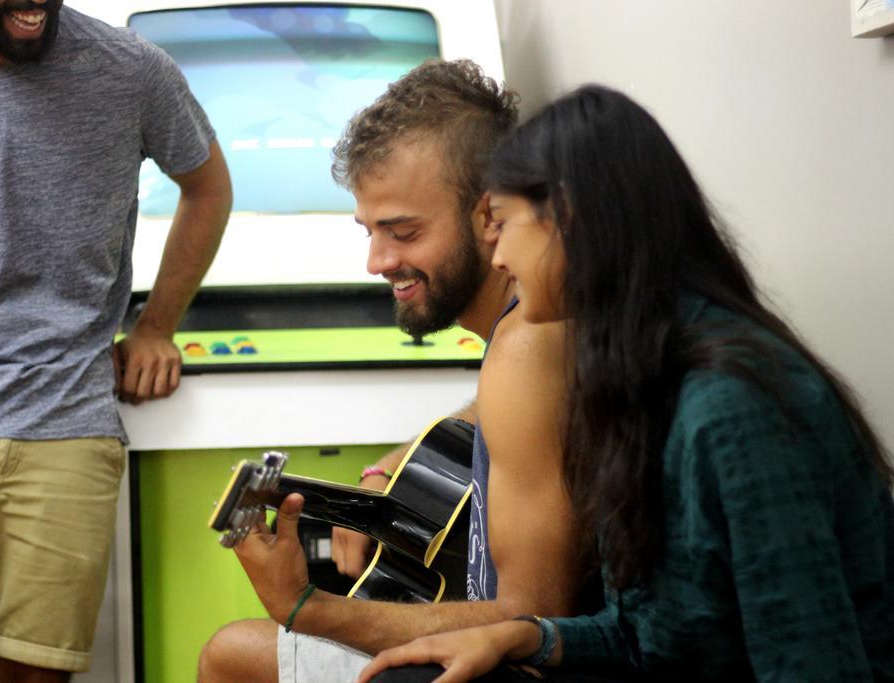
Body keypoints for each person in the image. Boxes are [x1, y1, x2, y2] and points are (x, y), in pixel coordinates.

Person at [357, 85, 894, 682]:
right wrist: (522, 637)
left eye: (504, 224)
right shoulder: (637, 379)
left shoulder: (732, 408)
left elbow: (813, 662)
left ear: (570, 221)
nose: (499, 255)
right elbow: (645, 637)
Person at [198, 60, 594, 683]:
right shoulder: (519, 336)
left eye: (402, 231)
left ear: (489, 216)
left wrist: (306, 609)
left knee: (231, 657)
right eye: (369, 232)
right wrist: (401, 466)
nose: (377, 261)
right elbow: (503, 415)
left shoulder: (525, 346)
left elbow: (533, 620)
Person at [0, 1, 232, 681]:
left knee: (33, 674)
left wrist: (156, 324)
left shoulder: (133, 69)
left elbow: (207, 187)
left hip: (66, 417)